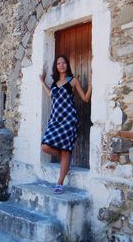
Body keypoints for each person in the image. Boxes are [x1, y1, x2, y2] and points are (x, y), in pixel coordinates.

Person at [39, 55, 92, 194]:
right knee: (45, 146)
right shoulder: (55, 83)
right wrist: (42, 81)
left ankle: (60, 183)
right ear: (56, 67)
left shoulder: (72, 81)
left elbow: (85, 98)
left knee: (65, 150)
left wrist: (91, 83)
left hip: (69, 120)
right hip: (55, 120)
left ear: (67, 65)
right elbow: (50, 94)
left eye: (63, 63)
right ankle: (65, 158)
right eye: (58, 63)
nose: (61, 65)